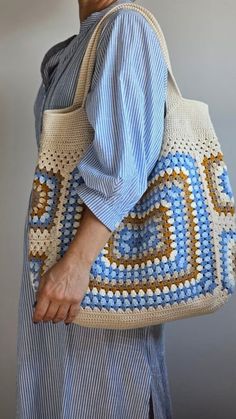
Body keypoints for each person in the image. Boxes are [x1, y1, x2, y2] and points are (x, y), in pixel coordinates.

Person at [15, 0, 173, 418]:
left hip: (96, 268)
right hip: (66, 265)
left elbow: (123, 172)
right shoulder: (76, 44)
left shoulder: (126, 27)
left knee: (106, 396)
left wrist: (75, 265)